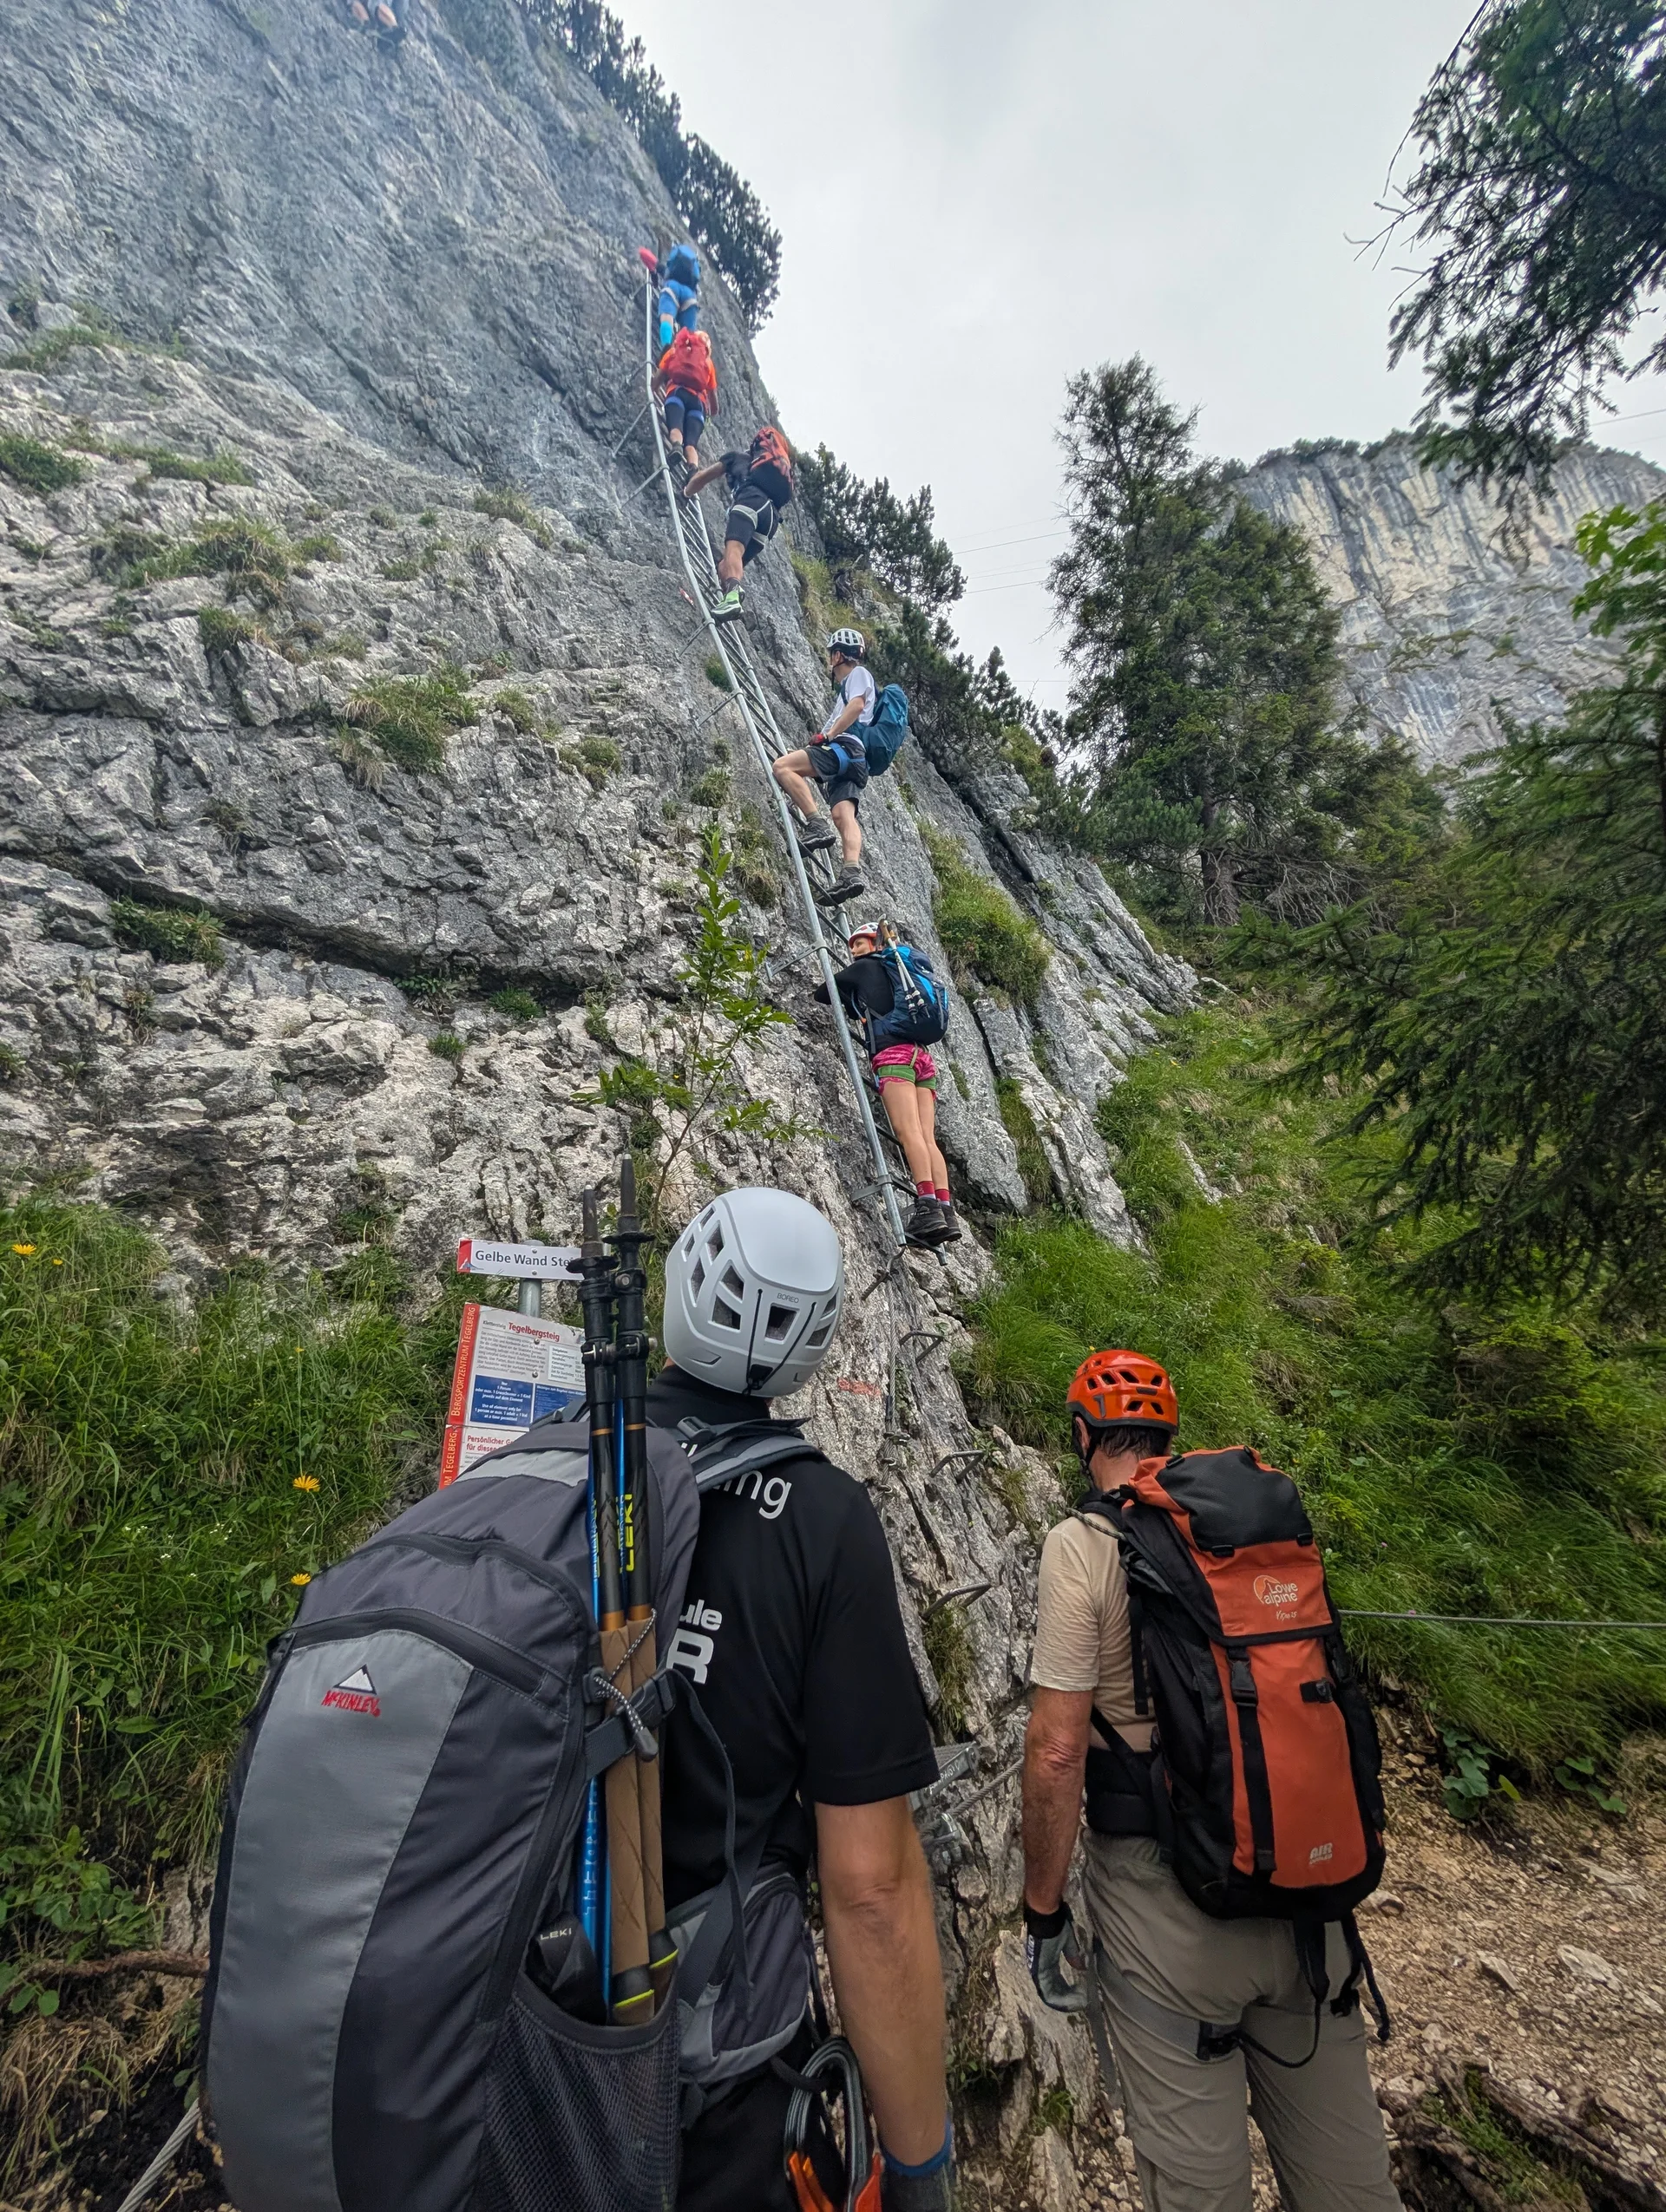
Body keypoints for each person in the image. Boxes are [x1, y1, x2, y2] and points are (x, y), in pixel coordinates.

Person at [1020, 1351, 1401, 2212]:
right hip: (1309, 1898)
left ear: (1083, 1437)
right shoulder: (1252, 1528)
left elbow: (1054, 1751)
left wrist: (1044, 1912)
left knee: (1198, 2186)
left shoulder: (1084, 1546)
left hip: (1168, 1916)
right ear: (1166, 1435)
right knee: (1351, 2183)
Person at [654, 1188, 955, 2212]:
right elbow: (869, 1889)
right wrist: (919, 2164)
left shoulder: (540, 1464)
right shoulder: (822, 1522)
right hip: (717, 2075)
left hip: (510, 2053)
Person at [815, 919, 961, 1247]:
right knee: (927, 1137)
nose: (853, 949)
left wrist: (852, 990)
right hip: (922, 1058)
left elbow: (822, 994)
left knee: (909, 1134)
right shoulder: (899, 970)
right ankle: (946, 1210)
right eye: (851, 944)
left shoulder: (863, 969)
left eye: (860, 942)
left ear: (875, 944)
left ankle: (927, 1207)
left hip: (893, 1057)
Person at [773, 627, 874, 907]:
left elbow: (856, 707)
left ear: (839, 654)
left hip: (843, 748)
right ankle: (851, 872)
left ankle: (816, 826)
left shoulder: (857, 676)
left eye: (832, 653)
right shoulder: (846, 689)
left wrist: (827, 737)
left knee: (782, 768)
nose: (830, 659)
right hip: (856, 760)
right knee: (844, 817)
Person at [680, 425, 793, 625]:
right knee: (728, 565)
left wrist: (686, 493)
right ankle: (730, 595)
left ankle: (732, 595)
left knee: (734, 550)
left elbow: (701, 479)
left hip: (751, 501)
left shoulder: (736, 458)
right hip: (771, 520)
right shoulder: (774, 473)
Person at [654, 326, 717, 476]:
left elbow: (659, 378)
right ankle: (693, 470)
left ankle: (676, 446)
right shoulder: (708, 364)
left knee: (676, 428)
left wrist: (653, 390)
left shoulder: (676, 350)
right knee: (691, 445)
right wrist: (708, 416)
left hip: (677, 393)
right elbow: (714, 404)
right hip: (698, 404)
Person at [659, 242, 701, 355]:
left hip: (672, 288)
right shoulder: (692, 279)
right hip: (691, 297)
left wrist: (654, 272)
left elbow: (646, 256)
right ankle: (684, 359)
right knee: (688, 335)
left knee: (667, 317)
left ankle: (666, 346)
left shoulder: (668, 272)